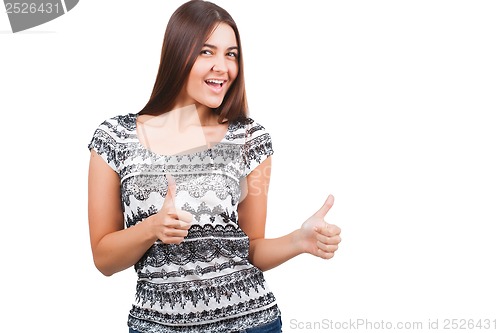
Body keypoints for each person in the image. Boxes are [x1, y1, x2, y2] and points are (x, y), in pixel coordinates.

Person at [87, 0, 342, 332]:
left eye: (231, 54)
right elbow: (103, 259)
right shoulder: (115, 138)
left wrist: (298, 241)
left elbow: (250, 248)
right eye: (207, 52)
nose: (223, 67)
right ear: (178, 53)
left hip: (249, 322)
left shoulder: (250, 139)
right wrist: (152, 228)